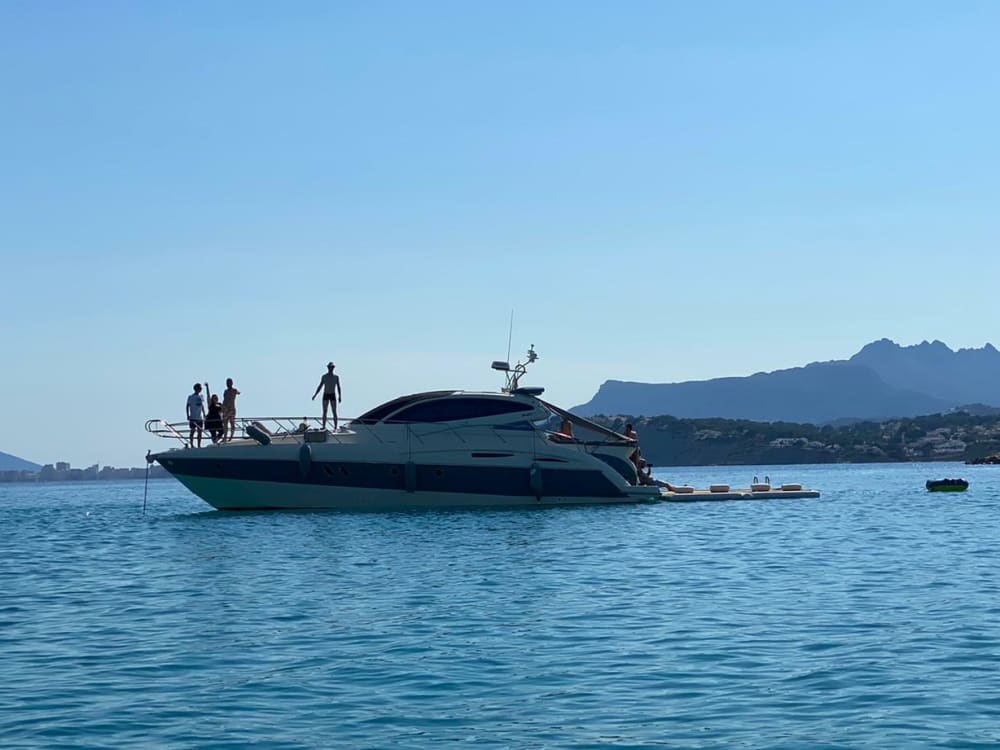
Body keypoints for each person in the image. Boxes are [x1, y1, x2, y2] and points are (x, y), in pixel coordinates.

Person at [311, 362, 342, 430]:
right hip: (326, 394)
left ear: (333, 368)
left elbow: (338, 387)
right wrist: (315, 395)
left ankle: (335, 427)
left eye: (332, 367)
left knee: (334, 411)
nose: (330, 368)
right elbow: (320, 386)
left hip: (332, 394)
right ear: (328, 368)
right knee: (325, 411)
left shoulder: (336, 377)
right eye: (329, 367)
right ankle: (324, 426)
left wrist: (339, 396)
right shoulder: (324, 376)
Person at [186, 383, 206, 448]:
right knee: (192, 431)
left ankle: (199, 445)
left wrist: (204, 413)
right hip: (193, 417)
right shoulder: (191, 397)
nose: (200, 389)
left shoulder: (201, 396)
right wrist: (188, 415)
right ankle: (191, 444)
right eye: (199, 388)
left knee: (200, 432)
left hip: (199, 418)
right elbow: (187, 406)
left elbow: (202, 406)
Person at [222, 378, 241, 442]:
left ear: (232, 383)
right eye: (227, 383)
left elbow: (238, 392)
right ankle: (225, 437)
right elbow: (224, 400)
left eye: (229, 382)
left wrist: (237, 392)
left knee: (232, 423)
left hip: (232, 409)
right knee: (225, 424)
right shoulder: (225, 391)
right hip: (226, 409)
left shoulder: (234, 390)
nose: (228, 384)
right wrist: (223, 407)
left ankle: (230, 437)